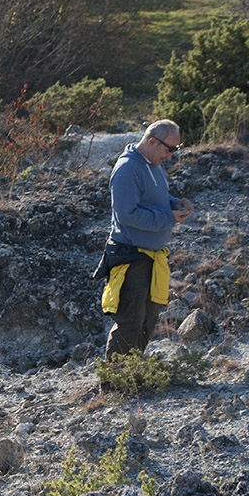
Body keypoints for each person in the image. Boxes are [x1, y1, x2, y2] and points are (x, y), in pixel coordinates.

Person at [94, 119, 194, 359]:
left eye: (175, 151)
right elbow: (127, 214)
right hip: (131, 256)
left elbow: (154, 197)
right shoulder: (127, 169)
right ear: (152, 141)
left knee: (148, 319)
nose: (170, 157)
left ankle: (134, 375)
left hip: (151, 258)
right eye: (169, 149)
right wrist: (169, 218)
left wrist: (174, 204)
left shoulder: (154, 164)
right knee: (130, 321)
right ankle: (115, 385)